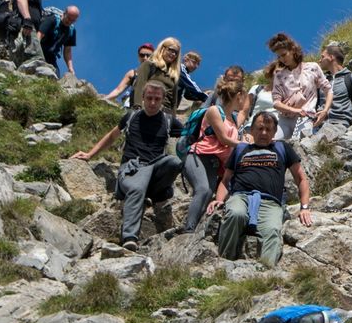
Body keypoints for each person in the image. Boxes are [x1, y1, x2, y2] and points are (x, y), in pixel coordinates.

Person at [70, 81, 183, 252]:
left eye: (157, 99)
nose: (153, 103)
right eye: (149, 98)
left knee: (174, 163)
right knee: (137, 188)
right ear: (142, 98)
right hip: (133, 169)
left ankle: (155, 193)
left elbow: (190, 139)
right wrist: (89, 154)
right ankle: (129, 237)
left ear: (162, 100)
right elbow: (111, 136)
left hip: (155, 169)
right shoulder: (131, 117)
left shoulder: (169, 121)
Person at [208, 111, 314, 266]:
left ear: (274, 132)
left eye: (268, 129)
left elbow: (301, 178)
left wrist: (304, 207)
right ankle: (224, 263)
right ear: (251, 130)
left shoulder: (282, 148)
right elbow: (225, 180)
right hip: (241, 197)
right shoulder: (240, 149)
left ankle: (265, 273)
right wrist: (218, 200)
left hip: (271, 202)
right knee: (235, 215)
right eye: (259, 128)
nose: (263, 133)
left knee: (271, 230)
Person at [181, 78, 248, 234]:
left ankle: (195, 228)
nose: (244, 102)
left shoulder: (234, 119)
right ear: (238, 95)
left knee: (209, 194)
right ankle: (188, 229)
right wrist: (245, 145)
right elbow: (223, 138)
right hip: (198, 156)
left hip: (216, 163)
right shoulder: (214, 111)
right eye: (243, 97)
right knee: (203, 190)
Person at [266, 33, 332, 140]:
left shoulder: (312, 67)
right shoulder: (279, 75)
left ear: (292, 50)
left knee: (301, 148)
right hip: (285, 120)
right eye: (279, 57)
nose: (282, 59)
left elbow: (328, 90)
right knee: (274, 143)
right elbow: (276, 103)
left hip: (305, 118)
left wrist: (325, 111)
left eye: (284, 54)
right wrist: (294, 110)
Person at [0, 0, 63, 65]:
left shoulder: (38, 1)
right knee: (37, 62)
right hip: (22, 27)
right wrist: (27, 19)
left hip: (23, 31)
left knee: (22, 63)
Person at [132, 38, 184, 114]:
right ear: (162, 48)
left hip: (166, 113)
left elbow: (174, 101)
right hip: (148, 109)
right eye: (171, 50)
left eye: (176, 53)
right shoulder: (149, 65)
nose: (173, 54)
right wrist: (138, 107)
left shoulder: (174, 74)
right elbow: (140, 86)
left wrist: (173, 118)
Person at [38, 5, 79, 77]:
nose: (69, 22)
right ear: (64, 13)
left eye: (72, 20)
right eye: (68, 18)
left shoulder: (71, 31)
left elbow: (67, 51)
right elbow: (39, 35)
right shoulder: (52, 19)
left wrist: (70, 68)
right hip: (39, 49)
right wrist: (36, 53)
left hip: (51, 56)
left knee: (55, 76)